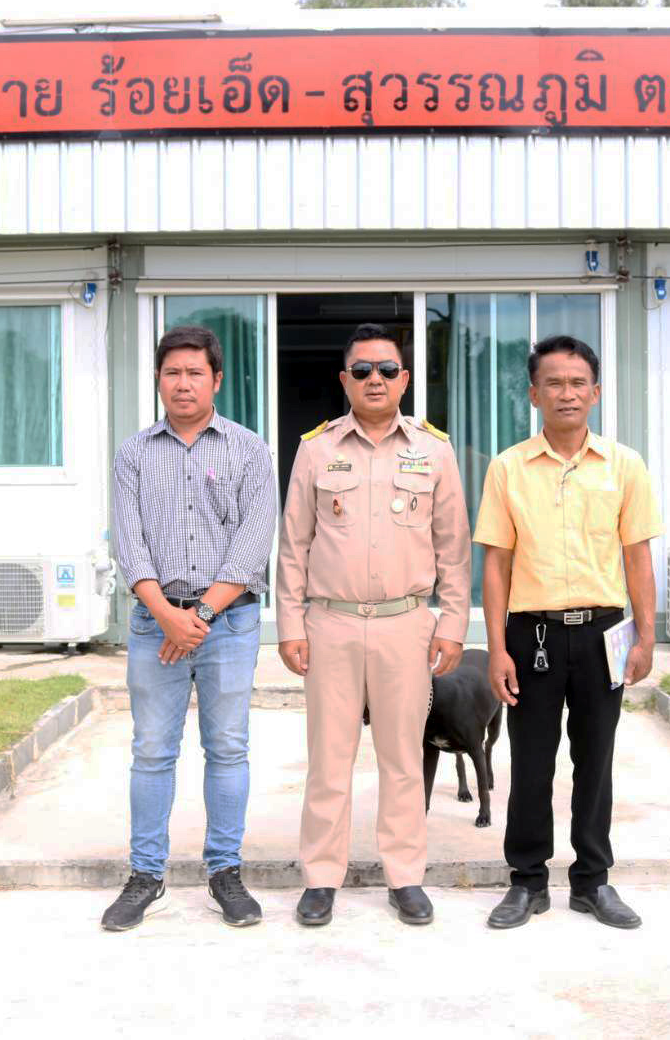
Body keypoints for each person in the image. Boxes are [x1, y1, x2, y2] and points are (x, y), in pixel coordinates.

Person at [276, 323, 471, 927]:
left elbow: (454, 547)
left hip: (404, 624)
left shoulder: (434, 451)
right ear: (345, 380)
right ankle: (321, 878)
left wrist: (453, 624)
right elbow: (293, 544)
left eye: (386, 370)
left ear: (404, 379)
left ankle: (405, 877)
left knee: (402, 759)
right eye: (361, 371)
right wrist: (289, 624)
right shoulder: (317, 449)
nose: (375, 380)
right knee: (328, 761)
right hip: (330, 624)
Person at [473, 335, 662, 931]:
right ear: (534, 394)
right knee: (531, 759)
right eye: (553, 383)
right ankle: (527, 882)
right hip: (532, 635)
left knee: (595, 758)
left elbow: (637, 556)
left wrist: (646, 636)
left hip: (604, 632)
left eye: (578, 383)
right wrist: (497, 647)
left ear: (595, 393)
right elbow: (497, 563)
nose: (567, 393)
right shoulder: (508, 468)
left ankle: (592, 882)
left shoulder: (624, 466)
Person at [101, 324, 278, 931]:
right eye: (172, 372)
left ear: (216, 380)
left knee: (227, 748)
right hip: (155, 623)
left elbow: (253, 542)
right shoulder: (133, 454)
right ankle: (145, 875)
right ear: (158, 380)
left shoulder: (249, 450)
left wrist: (197, 618)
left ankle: (225, 872)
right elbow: (130, 544)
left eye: (195, 373)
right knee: (152, 750)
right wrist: (166, 616)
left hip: (228, 624)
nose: (183, 383)